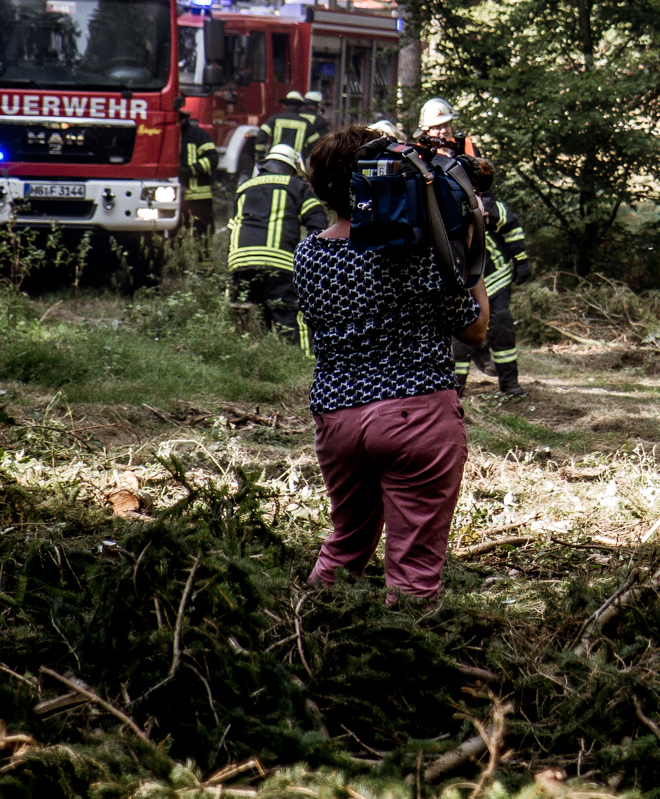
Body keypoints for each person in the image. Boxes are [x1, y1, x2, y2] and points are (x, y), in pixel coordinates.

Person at [296, 124, 490, 602]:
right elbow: (475, 329)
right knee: (413, 573)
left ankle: (307, 628)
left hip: (338, 421)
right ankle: (406, 643)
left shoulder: (308, 255)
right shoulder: (411, 252)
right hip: (414, 415)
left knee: (346, 543)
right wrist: (468, 243)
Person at [228, 143, 328, 331]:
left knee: (246, 323)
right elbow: (317, 222)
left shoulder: (244, 188)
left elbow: (233, 226)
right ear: (292, 168)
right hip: (279, 262)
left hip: (240, 262)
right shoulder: (296, 186)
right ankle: (294, 350)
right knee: (289, 320)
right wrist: (312, 259)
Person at [473, 191, 533, 398]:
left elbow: (508, 222)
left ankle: (509, 383)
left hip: (497, 276)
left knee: (501, 324)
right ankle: (457, 389)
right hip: (462, 281)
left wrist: (521, 260)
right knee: (462, 333)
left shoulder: (488, 204)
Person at [179, 112, 217, 238]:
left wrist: (191, 170)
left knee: (202, 233)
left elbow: (212, 159)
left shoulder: (198, 135)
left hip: (199, 196)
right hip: (175, 196)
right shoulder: (167, 134)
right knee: (176, 234)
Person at [260, 91, 316, 158]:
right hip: (296, 159)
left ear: (284, 105)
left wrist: (260, 155)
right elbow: (315, 142)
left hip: (275, 157)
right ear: (300, 107)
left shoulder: (274, 119)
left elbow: (262, 134)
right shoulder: (306, 123)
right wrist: (305, 153)